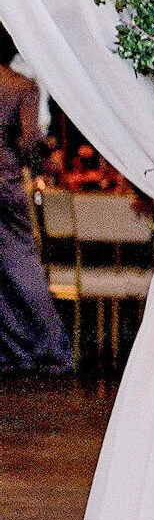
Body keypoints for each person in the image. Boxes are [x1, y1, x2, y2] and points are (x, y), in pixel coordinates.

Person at [0, 29, 71, 374]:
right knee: (21, 263)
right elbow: (29, 143)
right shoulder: (20, 86)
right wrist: (48, 162)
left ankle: (11, 349)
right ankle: (50, 349)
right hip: (4, 182)